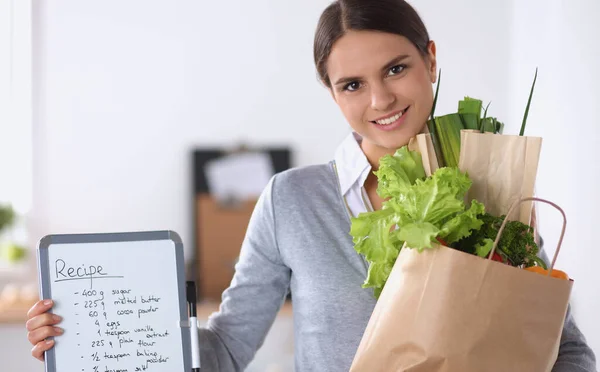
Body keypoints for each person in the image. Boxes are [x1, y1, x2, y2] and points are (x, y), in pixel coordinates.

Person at [25, 0, 597, 371]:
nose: (381, 100)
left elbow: (565, 348)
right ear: (331, 92)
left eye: (396, 68)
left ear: (430, 60)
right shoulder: (292, 201)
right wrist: (97, 332)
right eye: (352, 84)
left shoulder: (490, 191)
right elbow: (225, 348)